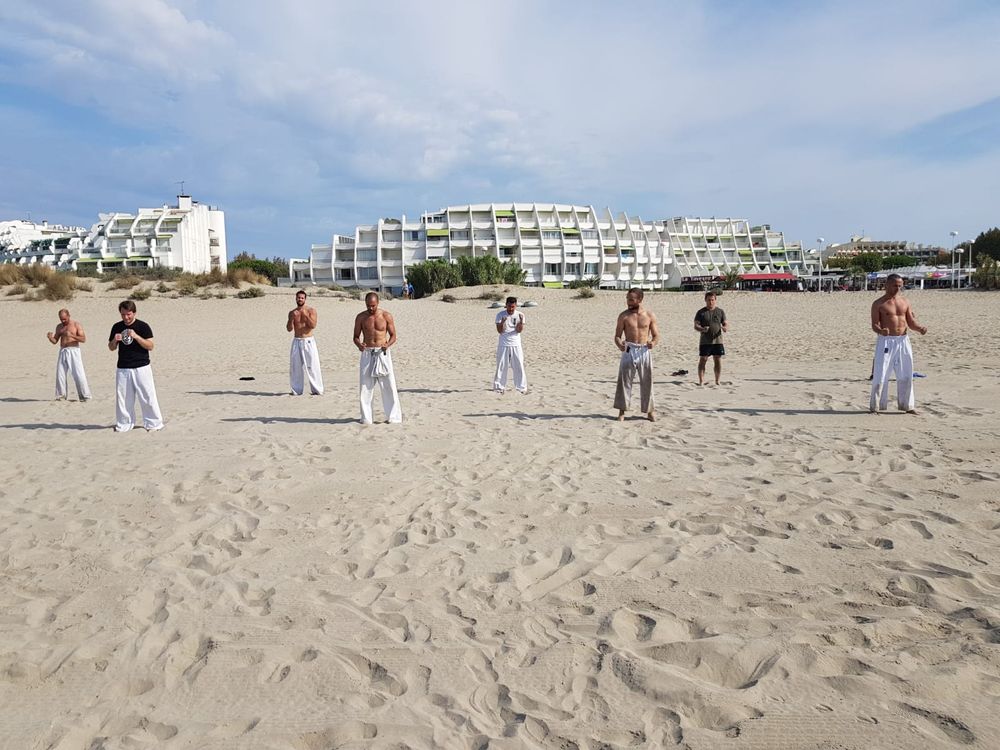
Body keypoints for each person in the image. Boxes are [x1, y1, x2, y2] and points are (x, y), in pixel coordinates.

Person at [869, 274, 927, 414]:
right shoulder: (879, 303)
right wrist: (881, 331)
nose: (898, 288)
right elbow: (874, 324)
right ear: (887, 285)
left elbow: (911, 322)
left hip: (903, 340)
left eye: (900, 286)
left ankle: (907, 405)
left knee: (906, 373)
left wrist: (919, 329)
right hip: (886, 340)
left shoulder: (905, 302)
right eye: (895, 285)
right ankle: (876, 406)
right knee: (881, 373)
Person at [108, 300, 163, 432]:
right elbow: (111, 348)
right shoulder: (116, 327)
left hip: (141, 366)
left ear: (134, 313)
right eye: (123, 314)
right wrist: (115, 340)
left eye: (128, 314)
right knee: (123, 398)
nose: (126, 317)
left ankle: (153, 423)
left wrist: (136, 337)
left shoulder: (143, 326)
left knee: (147, 396)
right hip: (123, 367)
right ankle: (124, 424)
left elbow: (150, 346)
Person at [353, 291, 402, 424]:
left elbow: (393, 336)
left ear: (378, 303)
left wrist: (388, 344)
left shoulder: (386, 316)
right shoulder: (360, 317)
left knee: (388, 385)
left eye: (373, 306)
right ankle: (366, 418)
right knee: (365, 386)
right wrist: (359, 345)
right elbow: (356, 336)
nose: (370, 308)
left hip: (382, 352)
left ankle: (393, 417)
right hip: (367, 353)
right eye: (368, 305)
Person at [613, 288, 659, 421]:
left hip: (644, 349)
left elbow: (656, 335)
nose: (628, 302)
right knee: (624, 381)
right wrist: (619, 345)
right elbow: (617, 335)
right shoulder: (624, 316)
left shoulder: (649, 315)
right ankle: (621, 411)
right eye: (627, 299)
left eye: (631, 299)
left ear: (640, 299)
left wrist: (653, 343)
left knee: (647, 381)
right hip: (629, 349)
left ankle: (649, 411)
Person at [48, 308, 92, 401]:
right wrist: (50, 337)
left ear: (68, 316)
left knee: (78, 374)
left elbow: (83, 339)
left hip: (74, 350)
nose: (63, 321)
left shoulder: (76, 325)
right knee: (60, 373)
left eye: (64, 318)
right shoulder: (59, 327)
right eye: (61, 319)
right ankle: (61, 395)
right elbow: (55, 341)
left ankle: (85, 396)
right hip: (63, 350)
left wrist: (72, 335)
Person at [287, 289, 323, 395]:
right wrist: (291, 319)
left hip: (309, 341)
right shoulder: (292, 312)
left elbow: (313, 325)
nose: (300, 299)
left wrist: (305, 315)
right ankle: (296, 390)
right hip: (297, 340)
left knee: (313, 365)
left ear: (305, 299)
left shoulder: (311, 310)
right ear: (296, 298)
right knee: (296, 367)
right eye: (298, 297)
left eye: (302, 298)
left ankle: (317, 389)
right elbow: (289, 329)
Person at [493, 296, 527, 393]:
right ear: (506, 305)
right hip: (503, 344)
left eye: (513, 307)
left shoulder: (520, 314)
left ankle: (521, 388)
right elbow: (500, 331)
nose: (511, 309)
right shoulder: (500, 315)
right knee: (501, 365)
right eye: (509, 306)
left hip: (516, 344)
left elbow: (519, 331)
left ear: (516, 305)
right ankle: (499, 387)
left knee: (519, 365)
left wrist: (520, 322)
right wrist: (502, 322)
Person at [694, 291, 728, 385]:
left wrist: (725, 327)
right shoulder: (701, 312)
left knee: (717, 359)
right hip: (705, 341)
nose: (711, 302)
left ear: (715, 300)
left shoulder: (720, 311)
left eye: (712, 300)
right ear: (705, 300)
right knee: (703, 359)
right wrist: (702, 329)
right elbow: (696, 325)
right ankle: (701, 381)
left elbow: (725, 323)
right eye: (709, 300)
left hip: (718, 340)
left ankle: (717, 381)